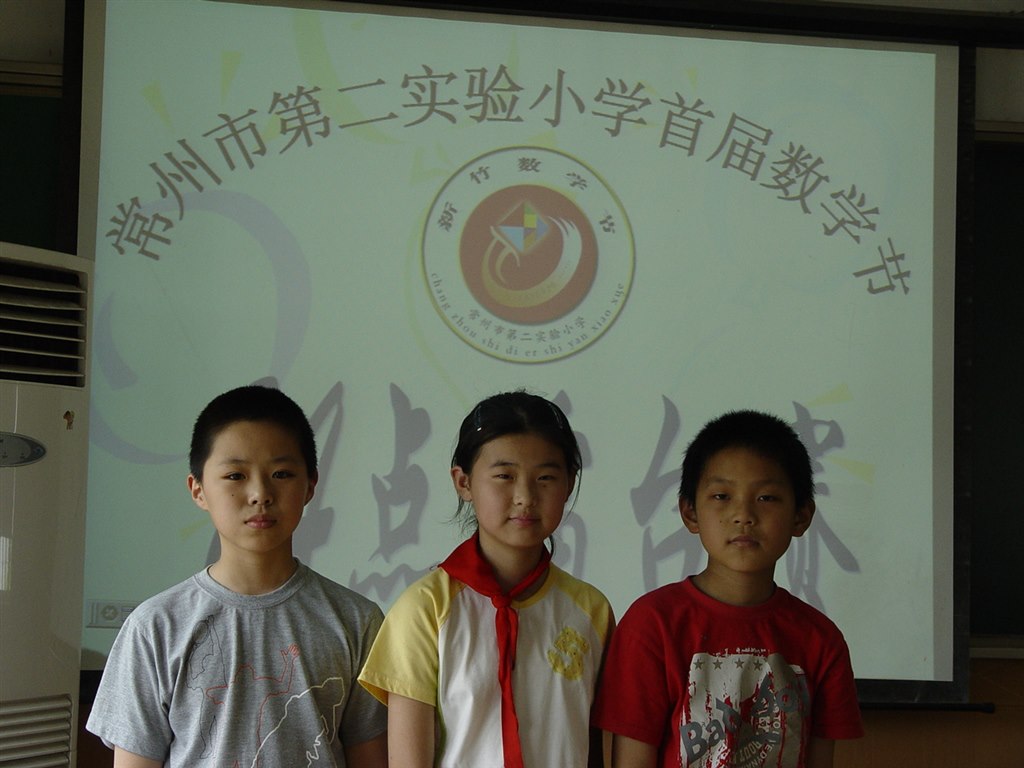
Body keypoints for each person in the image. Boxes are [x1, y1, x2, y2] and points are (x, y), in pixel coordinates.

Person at [86, 385, 388, 768]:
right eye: (235, 475)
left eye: (281, 473)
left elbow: (371, 757)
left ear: (310, 485)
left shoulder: (356, 621)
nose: (260, 493)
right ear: (198, 490)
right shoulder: (155, 627)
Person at [358, 390, 614, 768]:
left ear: (569, 484)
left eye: (545, 477)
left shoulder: (590, 609)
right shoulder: (425, 609)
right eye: (504, 476)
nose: (525, 496)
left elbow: (598, 748)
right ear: (463, 482)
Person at [593, 410, 863, 768]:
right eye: (722, 496)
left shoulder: (821, 640)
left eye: (766, 498)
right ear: (690, 513)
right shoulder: (652, 624)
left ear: (801, 515)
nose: (743, 515)